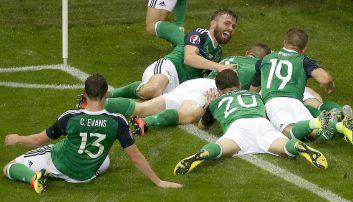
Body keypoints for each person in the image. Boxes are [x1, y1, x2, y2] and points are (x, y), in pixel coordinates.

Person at [3, 74, 182, 194]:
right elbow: (135, 157)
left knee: (9, 167)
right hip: (86, 175)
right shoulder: (118, 121)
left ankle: (34, 178)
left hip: (62, 165)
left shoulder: (70, 118)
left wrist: (18, 138)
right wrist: (159, 182)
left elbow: (38, 139)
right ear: (106, 94)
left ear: (84, 94)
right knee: (105, 160)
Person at [173, 69, 328, 175]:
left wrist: (209, 104)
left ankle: (203, 153)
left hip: (237, 126)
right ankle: (298, 146)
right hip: (260, 122)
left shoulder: (216, 102)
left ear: (219, 90)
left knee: (221, 148)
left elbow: (202, 126)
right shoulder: (254, 96)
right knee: (281, 146)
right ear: (239, 84)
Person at [102, 43, 271, 136]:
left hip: (193, 84)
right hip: (208, 91)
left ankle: (98, 102)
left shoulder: (230, 58)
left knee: (143, 107)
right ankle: (147, 122)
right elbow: (254, 93)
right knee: (185, 116)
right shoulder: (260, 67)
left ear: (247, 52)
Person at [252, 28, 353, 149]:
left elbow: (254, 90)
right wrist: (329, 87)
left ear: (284, 42)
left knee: (289, 131)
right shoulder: (304, 60)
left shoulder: (265, 60)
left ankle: (330, 123)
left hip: (274, 102)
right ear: (303, 49)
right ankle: (341, 126)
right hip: (297, 102)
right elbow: (325, 79)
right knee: (311, 133)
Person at [108, 9, 238, 100]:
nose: (231, 28)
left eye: (233, 26)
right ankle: (110, 94)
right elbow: (189, 58)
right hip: (168, 68)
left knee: (150, 101)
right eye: (226, 23)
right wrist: (219, 67)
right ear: (213, 23)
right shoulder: (199, 34)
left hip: (179, 87)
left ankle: (110, 104)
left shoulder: (217, 51)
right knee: (153, 90)